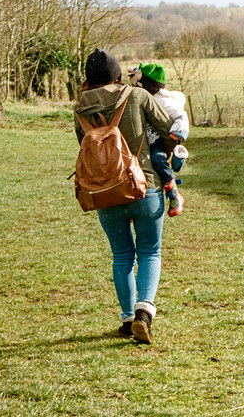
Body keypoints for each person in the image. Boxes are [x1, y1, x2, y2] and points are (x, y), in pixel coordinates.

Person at [74, 49, 176, 343]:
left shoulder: (80, 105)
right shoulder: (138, 96)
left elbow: (84, 145)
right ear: (118, 73)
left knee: (121, 255)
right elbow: (168, 130)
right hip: (145, 185)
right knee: (149, 251)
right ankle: (144, 311)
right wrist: (163, 158)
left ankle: (128, 317)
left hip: (104, 190)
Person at [135, 62, 190, 217]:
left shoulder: (164, 101)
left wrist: (178, 132)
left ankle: (174, 194)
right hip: (145, 139)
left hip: (157, 140)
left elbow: (181, 116)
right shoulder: (146, 97)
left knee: (157, 160)